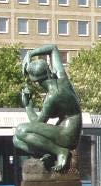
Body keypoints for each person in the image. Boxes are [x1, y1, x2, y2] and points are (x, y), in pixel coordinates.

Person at [13, 44, 83, 172]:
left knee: (20, 130)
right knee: (16, 140)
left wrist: (28, 106)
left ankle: (60, 151)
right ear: (48, 71)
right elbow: (53, 48)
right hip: (65, 129)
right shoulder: (62, 78)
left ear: (35, 81)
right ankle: (49, 154)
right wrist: (30, 54)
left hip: (68, 134)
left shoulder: (52, 97)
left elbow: (37, 124)